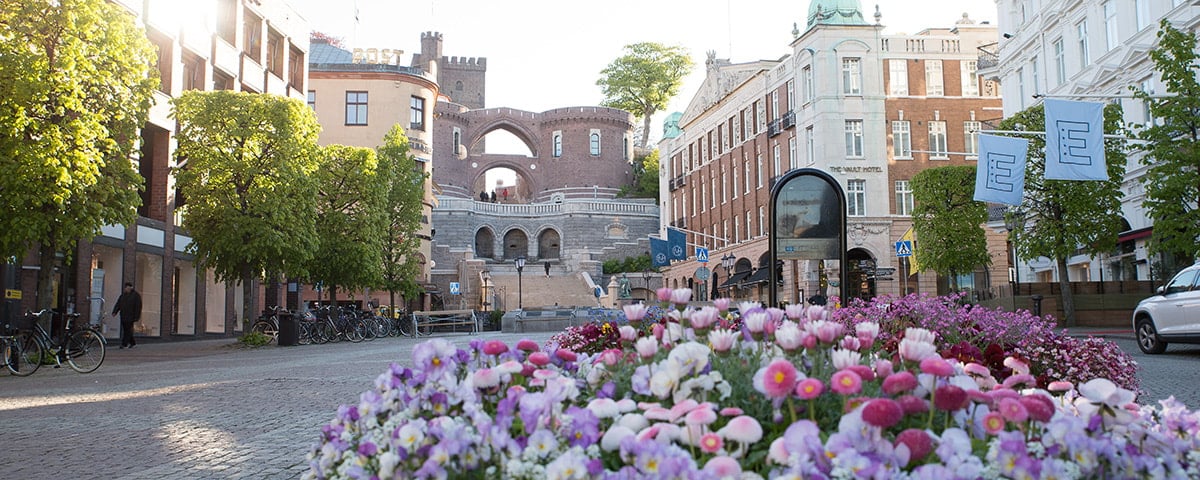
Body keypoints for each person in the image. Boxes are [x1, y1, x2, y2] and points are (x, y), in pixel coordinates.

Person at [112, 282, 142, 349]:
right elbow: (118, 304)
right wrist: (115, 312)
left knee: (128, 330)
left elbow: (138, 307)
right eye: (125, 288)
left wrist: (136, 316)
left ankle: (124, 344)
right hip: (123, 315)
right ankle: (133, 343)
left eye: (127, 287)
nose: (126, 289)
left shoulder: (136, 295)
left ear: (131, 287)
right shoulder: (123, 296)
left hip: (131, 316)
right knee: (127, 330)